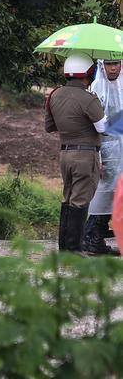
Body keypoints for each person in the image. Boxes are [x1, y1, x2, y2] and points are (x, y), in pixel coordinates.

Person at [45, 53, 107, 251]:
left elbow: (49, 126)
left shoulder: (54, 94)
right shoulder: (88, 98)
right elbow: (103, 128)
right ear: (90, 73)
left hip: (65, 154)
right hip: (85, 155)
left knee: (68, 196)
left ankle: (64, 245)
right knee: (80, 199)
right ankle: (73, 248)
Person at [83, 60, 123, 254]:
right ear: (102, 66)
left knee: (118, 194)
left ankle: (99, 236)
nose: (113, 68)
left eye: (116, 64)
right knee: (104, 193)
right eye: (109, 64)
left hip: (121, 148)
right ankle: (92, 237)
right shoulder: (96, 89)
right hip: (106, 150)